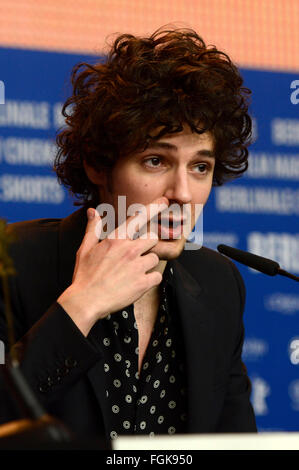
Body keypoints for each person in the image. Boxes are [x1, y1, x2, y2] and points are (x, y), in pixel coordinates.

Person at [0, 27, 257, 443]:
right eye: (156, 160)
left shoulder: (218, 284)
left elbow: (237, 441)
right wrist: (81, 305)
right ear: (99, 167)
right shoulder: (12, 263)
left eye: (200, 167)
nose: (183, 194)